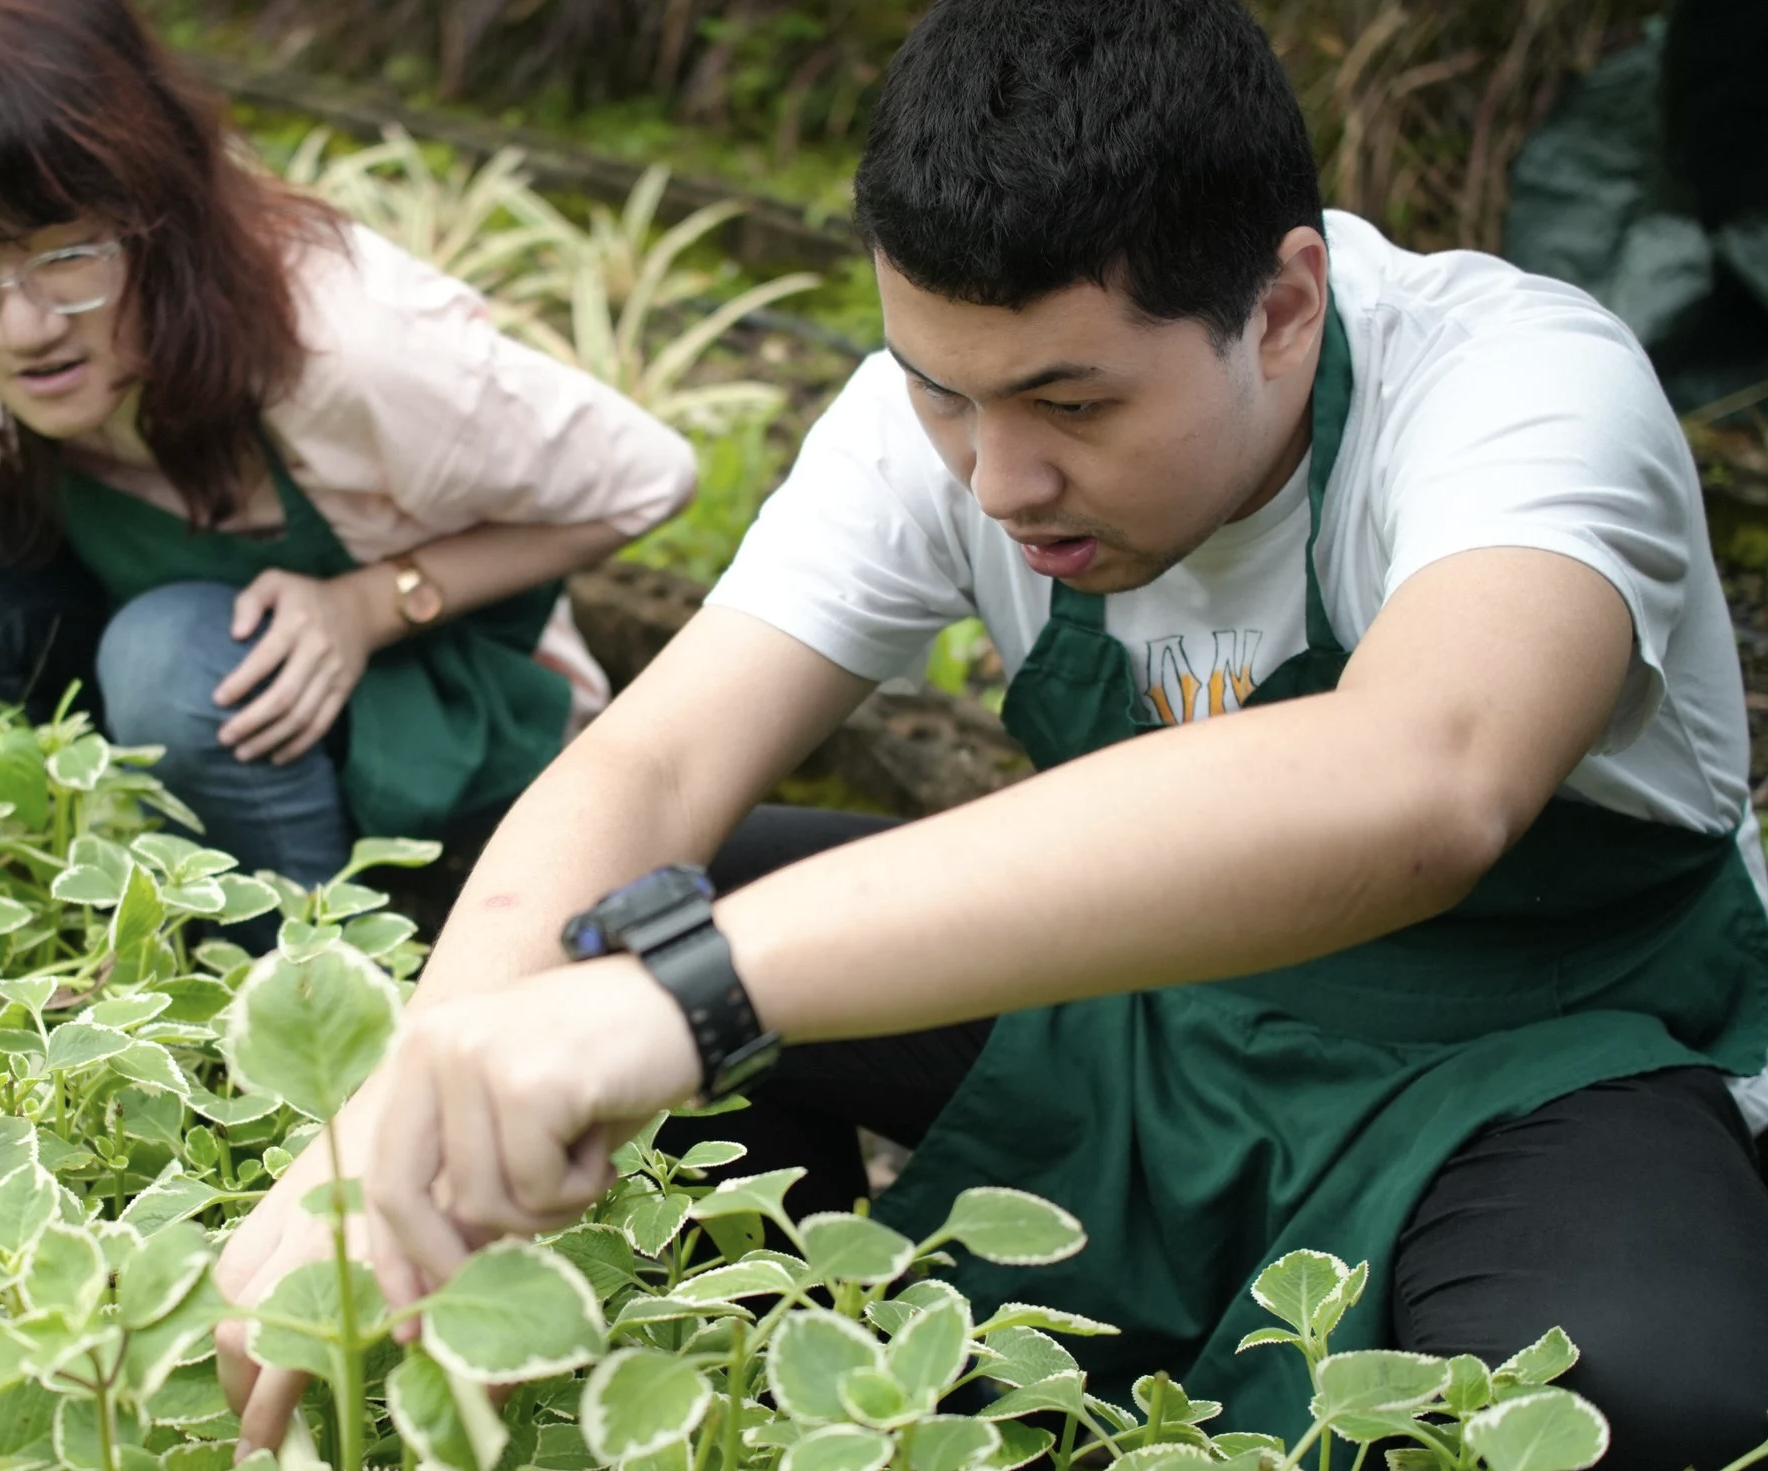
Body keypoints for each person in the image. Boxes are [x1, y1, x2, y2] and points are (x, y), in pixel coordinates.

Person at [213, 0, 1768, 1461]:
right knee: (559, 920)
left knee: (1636, 1385)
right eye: (940, 394)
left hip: (1531, 1043)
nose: (994, 479)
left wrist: (679, 993)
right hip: (1141, 984)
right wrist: (405, 1106)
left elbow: (1423, 778)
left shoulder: (1519, 386)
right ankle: (821, 1358)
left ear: (1281, 306)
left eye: (1072, 406)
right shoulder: (940, 420)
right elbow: (654, 758)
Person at [0, 0, 695, 886]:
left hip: (449, 732)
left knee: (168, 659)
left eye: (66, 256)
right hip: (201, 702)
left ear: (159, 209)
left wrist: (371, 603)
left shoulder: (343, 351)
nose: (20, 331)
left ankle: (305, 972)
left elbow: (652, 477)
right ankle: (5, 887)